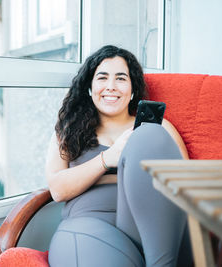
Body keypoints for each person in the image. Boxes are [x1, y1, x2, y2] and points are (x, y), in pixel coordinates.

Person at [45, 45, 192, 267]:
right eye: (102, 78)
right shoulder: (68, 130)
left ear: (132, 89)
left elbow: (186, 187)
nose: (111, 87)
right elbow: (57, 189)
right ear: (90, 87)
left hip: (155, 231)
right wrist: (107, 160)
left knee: (149, 134)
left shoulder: (160, 127)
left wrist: (136, 160)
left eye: (121, 79)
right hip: (90, 225)